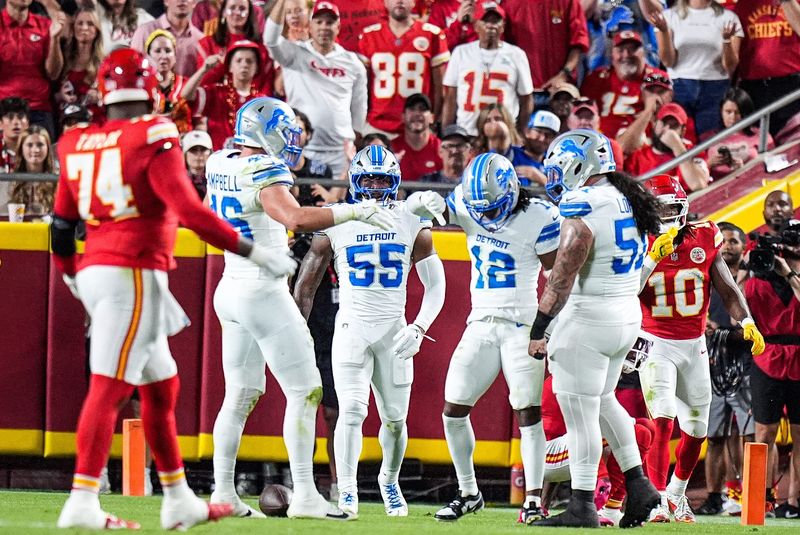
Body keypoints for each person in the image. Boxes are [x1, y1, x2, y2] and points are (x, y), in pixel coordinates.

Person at [51, 48, 297, 531]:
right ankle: (81, 500)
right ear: (148, 88)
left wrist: (72, 275)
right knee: (109, 386)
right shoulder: (154, 133)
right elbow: (188, 211)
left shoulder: (77, 141)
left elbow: (61, 226)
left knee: (161, 386)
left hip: (97, 269)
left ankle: (179, 498)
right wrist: (255, 251)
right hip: (132, 270)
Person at [205, 96, 395, 519]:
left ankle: (223, 492)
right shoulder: (263, 168)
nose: (291, 140)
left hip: (230, 284)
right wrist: (353, 210)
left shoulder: (219, 161)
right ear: (267, 131)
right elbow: (294, 218)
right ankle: (307, 494)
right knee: (306, 390)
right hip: (263, 290)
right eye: (285, 131)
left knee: (239, 393)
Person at [293, 145, 446, 518]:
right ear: (355, 182)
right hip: (352, 327)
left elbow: (437, 285)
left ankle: (389, 481)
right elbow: (305, 287)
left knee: (395, 420)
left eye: (382, 180)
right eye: (369, 180)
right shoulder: (337, 220)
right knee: (351, 411)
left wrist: (420, 326)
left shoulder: (411, 220)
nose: (376, 188)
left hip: (394, 331)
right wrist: (296, 336)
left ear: (394, 182)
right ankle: (347, 492)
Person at [527, 129, 664, 528]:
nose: (554, 177)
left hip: (588, 319)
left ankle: (582, 504)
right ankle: (639, 485)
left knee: (580, 415)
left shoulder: (584, 203)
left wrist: (539, 327)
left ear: (577, 165)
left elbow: (562, 277)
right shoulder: (628, 197)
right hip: (624, 314)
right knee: (603, 401)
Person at [420, 153, 560, 524]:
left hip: (521, 325)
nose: (487, 217)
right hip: (480, 322)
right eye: (480, 210)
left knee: (527, 411)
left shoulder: (539, 216)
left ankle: (533, 499)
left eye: (494, 208)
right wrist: (422, 202)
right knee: (453, 410)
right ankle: (469, 492)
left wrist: (548, 326)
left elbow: (558, 277)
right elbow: (432, 211)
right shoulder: (467, 202)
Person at [637, 175, 764, 523]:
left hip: (694, 346)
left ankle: (676, 495)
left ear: (683, 208)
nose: (666, 216)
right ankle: (657, 499)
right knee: (663, 420)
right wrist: (649, 259)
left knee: (697, 432)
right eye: (659, 209)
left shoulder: (705, 236)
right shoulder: (637, 241)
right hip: (656, 342)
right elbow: (624, 293)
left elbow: (727, 288)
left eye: (671, 209)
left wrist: (747, 320)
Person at [265, 0, 368, 177]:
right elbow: (270, 39)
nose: (324, 27)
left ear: (338, 27)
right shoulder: (293, 53)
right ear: (310, 26)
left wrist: (354, 137)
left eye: (329, 22)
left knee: (340, 195)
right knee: (300, 194)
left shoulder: (353, 62)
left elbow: (359, 105)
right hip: (302, 148)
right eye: (319, 22)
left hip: (340, 152)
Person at [744, 191, 800, 516]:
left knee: (799, 434)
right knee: (763, 432)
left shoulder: (791, 268)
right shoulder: (757, 260)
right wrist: (753, 265)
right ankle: (760, 500)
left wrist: (789, 271)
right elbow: (736, 302)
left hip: (798, 353)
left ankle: (794, 501)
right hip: (766, 355)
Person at [696, 222, 754, 517]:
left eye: (734, 241)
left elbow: (756, 326)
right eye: (724, 241)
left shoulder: (754, 278)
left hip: (746, 366)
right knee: (715, 436)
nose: (728, 246)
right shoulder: (704, 275)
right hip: (712, 365)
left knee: (749, 435)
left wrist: (725, 332)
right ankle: (715, 496)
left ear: (744, 246)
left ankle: (752, 496)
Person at [649, 0, 743, 137]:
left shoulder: (729, 17)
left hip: (715, 88)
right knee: (679, 139)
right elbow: (668, 61)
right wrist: (664, 31)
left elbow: (730, 66)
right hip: (679, 87)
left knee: (710, 140)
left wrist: (726, 41)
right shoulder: (669, 16)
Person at [357, 0, 450, 135]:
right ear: (385, 2)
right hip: (377, 126)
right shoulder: (369, 36)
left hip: (418, 126)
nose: (399, 1)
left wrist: (433, 120)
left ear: (414, 2)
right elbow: (362, 87)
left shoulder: (432, 34)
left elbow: (440, 88)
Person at [441, 1, 533, 136]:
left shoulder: (516, 55)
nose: (491, 25)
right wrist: (446, 132)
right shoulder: (461, 52)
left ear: (503, 27)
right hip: (467, 133)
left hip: (503, 136)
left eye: (496, 21)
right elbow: (450, 98)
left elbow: (526, 98)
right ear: (476, 25)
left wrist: (520, 132)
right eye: (485, 21)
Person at [581, 30, 669, 139]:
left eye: (633, 49)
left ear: (643, 53)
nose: (626, 55)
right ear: (612, 54)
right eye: (621, 50)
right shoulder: (596, 78)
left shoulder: (657, 78)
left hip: (642, 143)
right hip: (600, 142)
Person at [182, 40, 266, 149]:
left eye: (249, 61)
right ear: (230, 66)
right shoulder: (216, 92)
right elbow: (186, 94)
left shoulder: (263, 101)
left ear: (257, 68)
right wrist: (204, 69)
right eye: (239, 60)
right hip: (219, 157)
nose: (244, 65)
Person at [735, 0, 800, 139]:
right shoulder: (742, 5)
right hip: (753, 87)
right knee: (758, 141)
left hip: (791, 83)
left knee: (792, 140)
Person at [0, 0, 66, 136]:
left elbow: (53, 73)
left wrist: (54, 39)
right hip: (4, 110)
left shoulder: (45, 25)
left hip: (38, 109)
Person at [624, 103, 710, 192]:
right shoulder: (637, 157)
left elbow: (699, 185)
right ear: (654, 124)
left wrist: (677, 147)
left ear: (683, 131)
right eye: (663, 123)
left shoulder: (694, 152)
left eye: (673, 126)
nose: (667, 129)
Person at [196, 0, 273, 94]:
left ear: (249, 14)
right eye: (232, 8)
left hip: (253, 101)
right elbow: (202, 83)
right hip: (215, 100)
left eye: (242, 9)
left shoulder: (262, 48)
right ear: (223, 12)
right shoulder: (207, 44)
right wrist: (224, 64)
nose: (237, 12)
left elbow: (267, 86)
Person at [706, 88, 774, 180]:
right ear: (721, 112)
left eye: (737, 112)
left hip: (754, 182)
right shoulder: (708, 139)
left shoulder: (761, 135)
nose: (732, 117)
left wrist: (744, 169)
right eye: (728, 112)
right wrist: (709, 164)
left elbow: (773, 164)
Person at [131, 0, 204, 78]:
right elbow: (132, 69)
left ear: (194, 2)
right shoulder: (145, 31)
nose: (182, 0)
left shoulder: (201, 40)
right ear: (166, 1)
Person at [146, 30, 194, 133]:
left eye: (168, 51)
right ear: (148, 56)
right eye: (157, 51)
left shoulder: (187, 84)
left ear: (175, 56)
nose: (163, 56)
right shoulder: (144, 88)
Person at [58, 8, 104, 113]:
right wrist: (60, 96)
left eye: (90, 24)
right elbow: (50, 95)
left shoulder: (104, 63)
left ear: (97, 30)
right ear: (73, 28)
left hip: (95, 118)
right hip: (67, 118)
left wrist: (99, 96)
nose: (84, 28)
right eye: (80, 23)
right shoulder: (62, 59)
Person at [392, 93, 442, 182]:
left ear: (432, 118)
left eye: (423, 109)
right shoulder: (391, 149)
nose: (417, 114)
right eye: (412, 109)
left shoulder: (441, 149)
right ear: (403, 117)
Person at [8, 126, 56, 217]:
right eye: (29, 145)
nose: (35, 150)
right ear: (21, 148)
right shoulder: (10, 181)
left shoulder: (57, 182)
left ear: (47, 148)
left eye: (40, 145)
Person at [521, 111, 561, 186]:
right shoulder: (512, 155)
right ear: (527, 131)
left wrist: (542, 179)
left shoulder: (555, 165)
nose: (542, 139)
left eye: (548, 135)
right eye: (538, 132)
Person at [0, 97, 29, 174]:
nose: (16, 122)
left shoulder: (35, 148)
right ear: (0, 124)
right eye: (10, 117)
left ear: (27, 123)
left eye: (20, 116)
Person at [182, 129, 213, 199]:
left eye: (203, 149)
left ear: (210, 153)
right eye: (193, 150)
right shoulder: (178, 181)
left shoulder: (216, 181)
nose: (199, 154)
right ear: (184, 154)